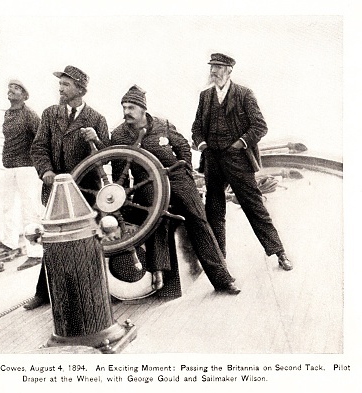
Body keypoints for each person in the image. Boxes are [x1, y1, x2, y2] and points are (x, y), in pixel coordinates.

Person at [110, 85, 240, 295]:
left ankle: (223, 279)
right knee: (155, 216)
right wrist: (120, 200)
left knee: (199, 220)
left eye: (131, 107)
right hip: (147, 182)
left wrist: (186, 168)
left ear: (143, 109)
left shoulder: (164, 125)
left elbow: (183, 147)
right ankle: (159, 271)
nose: (126, 112)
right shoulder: (119, 135)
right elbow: (119, 173)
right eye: (124, 107)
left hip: (177, 177)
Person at [191, 53, 293, 271]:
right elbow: (197, 128)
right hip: (212, 161)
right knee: (214, 210)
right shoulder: (205, 96)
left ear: (229, 70)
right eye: (212, 67)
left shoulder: (244, 94)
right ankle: (220, 260)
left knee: (254, 207)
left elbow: (259, 126)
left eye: (218, 67)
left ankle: (279, 253)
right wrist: (202, 146)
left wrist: (239, 144)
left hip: (238, 160)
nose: (213, 71)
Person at [24, 65, 110, 310]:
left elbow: (106, 157)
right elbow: (38, 148)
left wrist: (97, 140)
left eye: (66, 85)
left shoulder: (97, 119)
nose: (60, 89)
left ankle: (90, 295)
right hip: (55, 191)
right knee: (52, 241)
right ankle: (43, 293)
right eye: (60, 84)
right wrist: (46, 171)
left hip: (86, 193)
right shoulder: (50, 114)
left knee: (88, 242)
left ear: (80, 89)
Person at [0, 80, 43, 273]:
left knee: (30, 209)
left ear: (25, 96)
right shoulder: (8, 114)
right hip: (9, 168)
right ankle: (10, 243)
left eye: (17, 88)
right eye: (10, 87)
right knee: (8, 206)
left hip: (27, 169)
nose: (11, 90)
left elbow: (41, 140)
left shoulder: (29, 115)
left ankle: (36, 253)